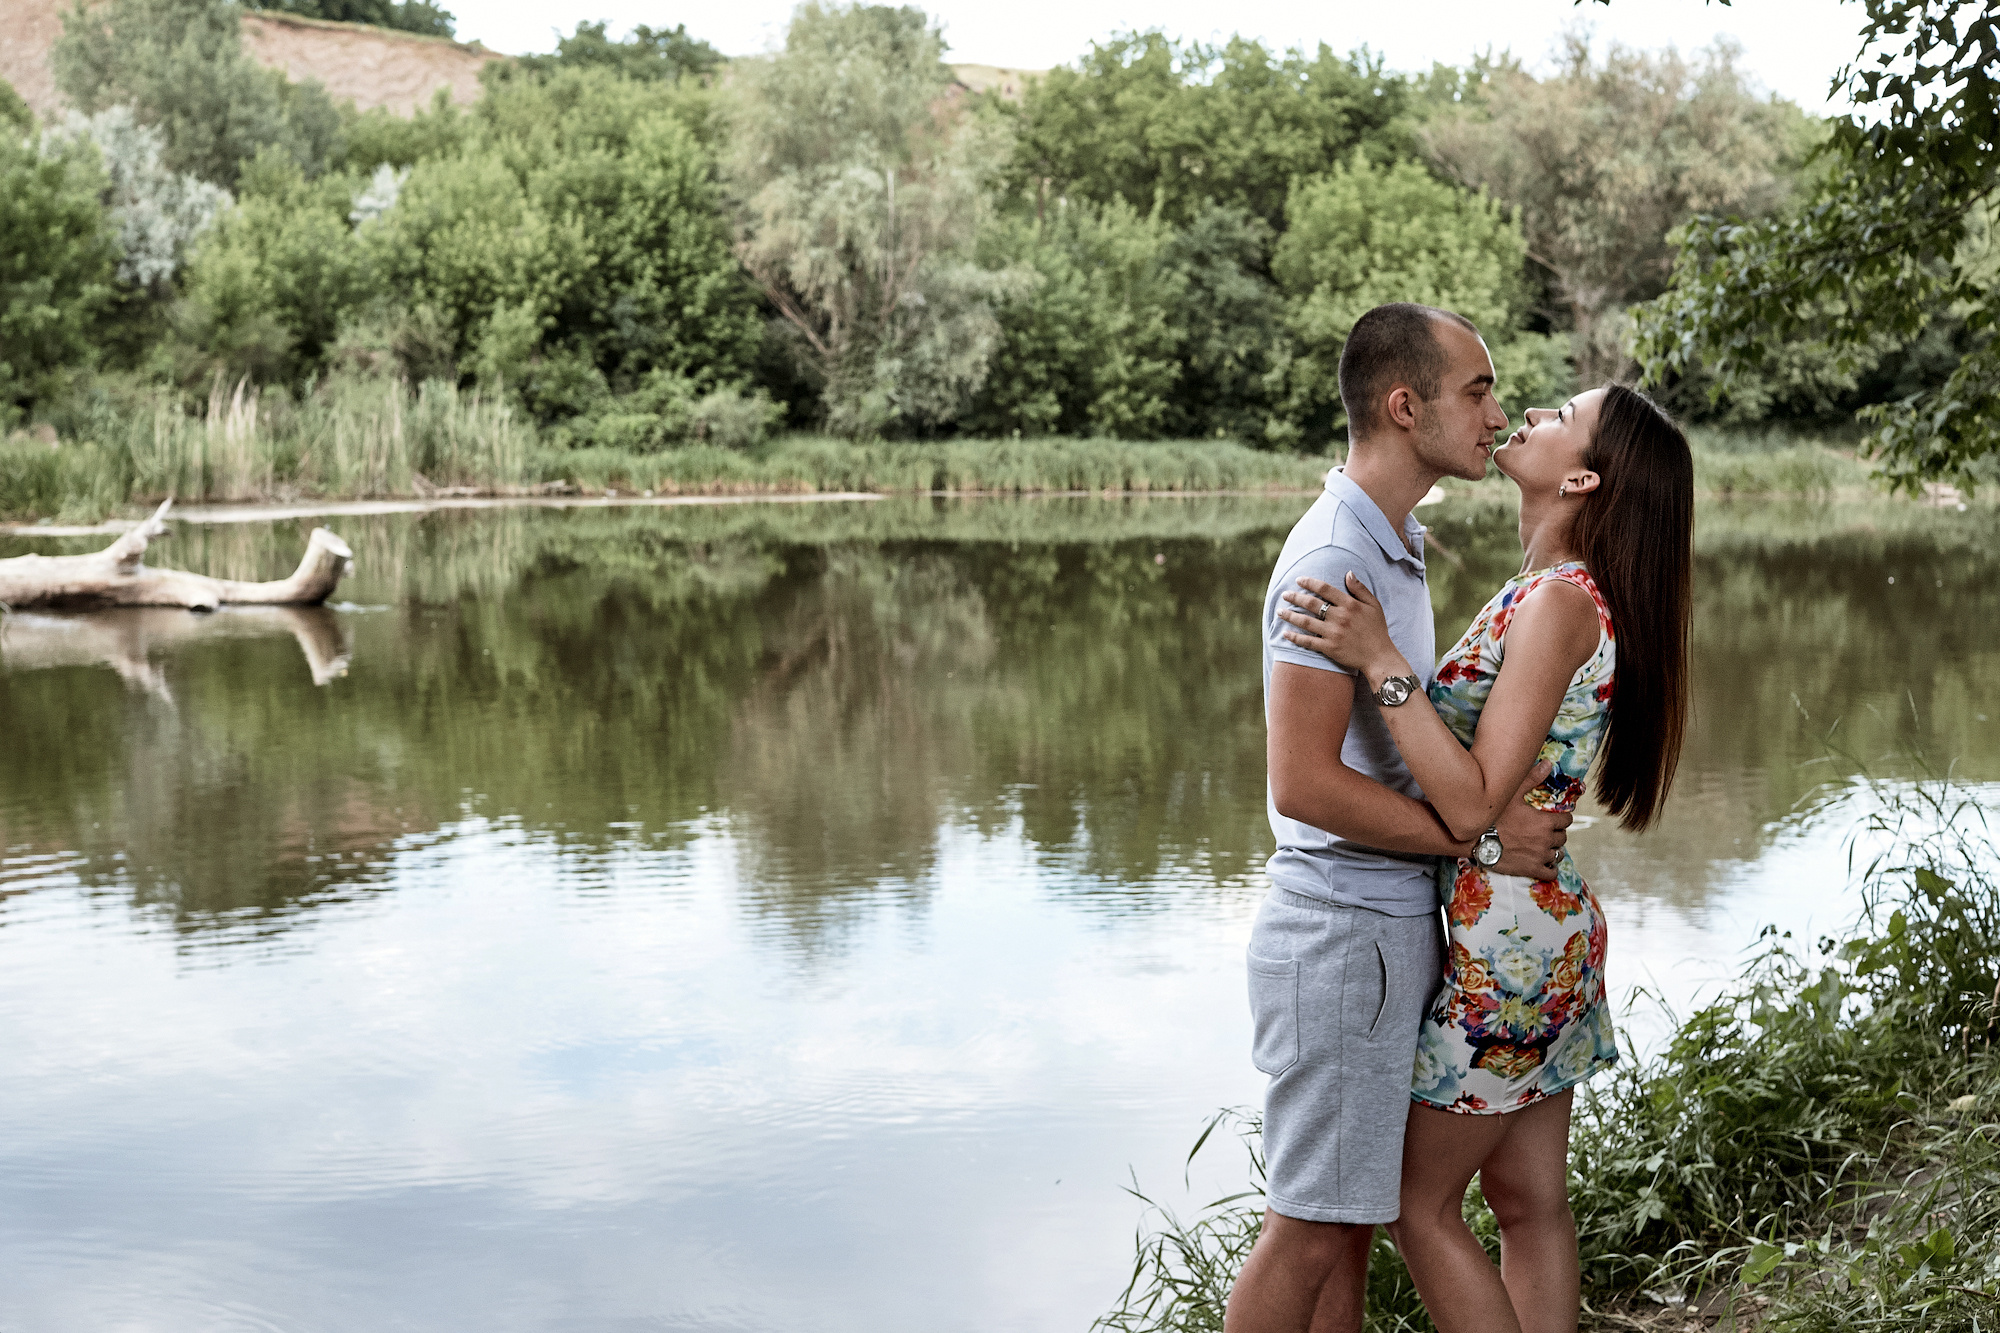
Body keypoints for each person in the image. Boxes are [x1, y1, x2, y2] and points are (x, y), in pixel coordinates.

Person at [1274, 381, 1695, 1333]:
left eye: (1556, 418)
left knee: (1420, 1210)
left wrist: (1379, 657)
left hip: (1507, 942)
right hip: (1540, 926)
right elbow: (1492, 803)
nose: (1528, 416)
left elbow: (1468, 798)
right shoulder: (1559, 594)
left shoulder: (1558, 603)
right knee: (1527, 1201)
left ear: (1583, 477)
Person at [1226, 303, 1577, 1333]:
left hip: (1381, 928)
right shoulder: (1332, 561)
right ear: (1402, 404)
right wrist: (1474, 837)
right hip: (1338, 933)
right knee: (1305, 1225)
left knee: (1346, 1222)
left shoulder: (1391, 547)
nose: (1495, 412)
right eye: (1476, 390)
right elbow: (1302, 785)